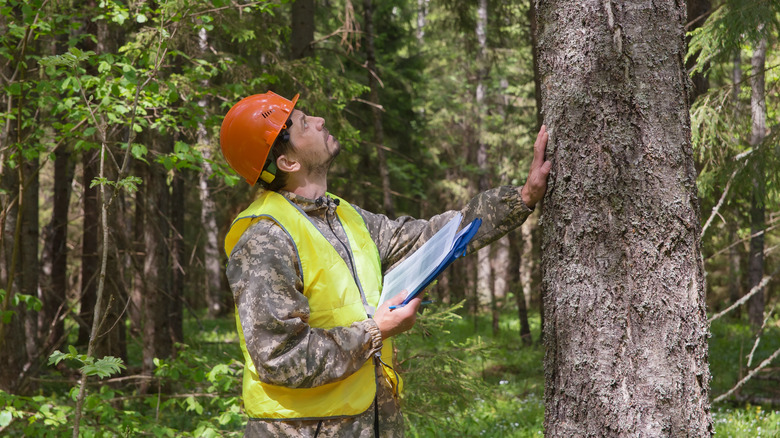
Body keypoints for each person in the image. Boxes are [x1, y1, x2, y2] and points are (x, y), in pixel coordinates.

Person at [221, 91, 551, 437]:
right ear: (288, 162)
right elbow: (279, 358)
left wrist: (523, 197)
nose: (319, 121)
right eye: (305, 124)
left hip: (372, 421)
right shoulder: (265, 239)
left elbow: (430, 238)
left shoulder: (345, 217)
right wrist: (374, 331)